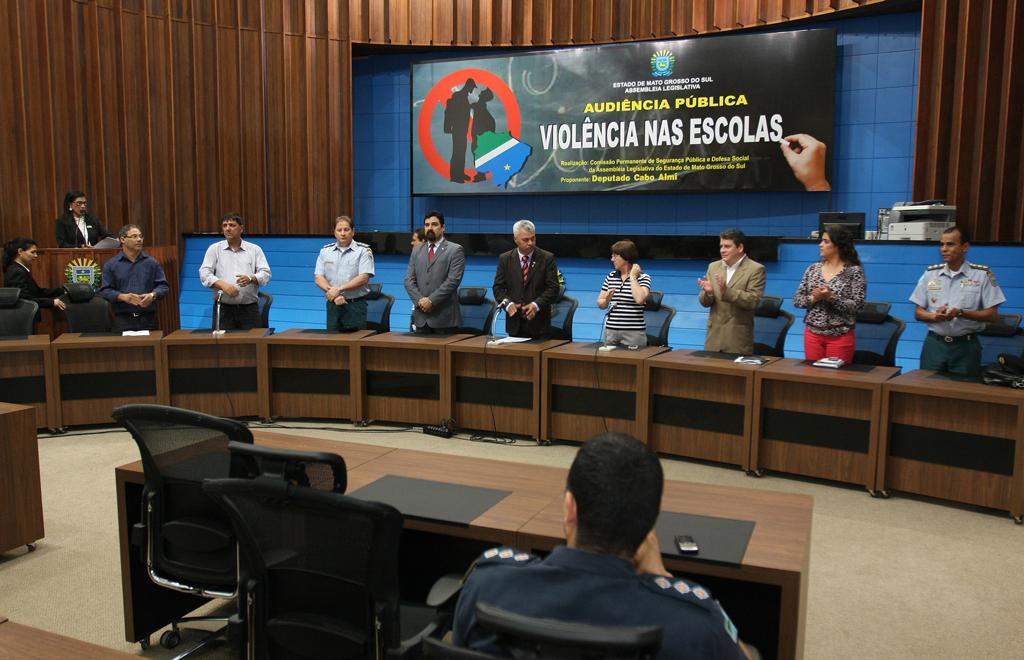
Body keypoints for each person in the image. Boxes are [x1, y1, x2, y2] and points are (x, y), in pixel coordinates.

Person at [453, 432, 753, 660]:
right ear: (651, 523)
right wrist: (664, 575)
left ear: (570, 508)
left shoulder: (488, 584)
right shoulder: (695, 625)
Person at [910, 226, 1005, 376]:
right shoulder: (930, 274)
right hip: (934, 344)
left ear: (965, 247)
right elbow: (918, 312)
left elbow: (993, 316)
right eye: (941, 244)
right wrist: (934, 316)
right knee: (926, 391)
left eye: (950, 244)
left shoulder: (982, 274)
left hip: (965, 347)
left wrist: (961, 313)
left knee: (962, 394)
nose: (944, 249)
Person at [793, 224, 866, 363]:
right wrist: (814, 298)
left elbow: (858, 306)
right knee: (812, 378)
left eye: (826, 241)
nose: (820, 245)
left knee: (835, 380)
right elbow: (797, 300)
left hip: (840, 335)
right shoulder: (813, 269)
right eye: (821, 241)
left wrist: (831, 297)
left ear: (838, 245)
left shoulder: (854, 272)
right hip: (813, 334)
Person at [198, 213, 272, 330]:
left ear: (241, 228)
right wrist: (223, 285)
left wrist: (250, 278)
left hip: (249, 310)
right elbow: (204, 273)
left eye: (232, 225)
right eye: (224, 225)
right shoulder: (214, 249)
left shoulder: (254, 249)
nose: (227, 228)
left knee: (252, 345)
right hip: (223, 309)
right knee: (224, 346)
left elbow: (266, 274)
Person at [698, 229, 766, 354]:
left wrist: (727, 292)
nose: (722, 250)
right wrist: (709, 293)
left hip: (737, 341)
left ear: (740, 248)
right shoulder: (713, 267)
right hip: (713, 339)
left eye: (727, 246)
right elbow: (705, 303)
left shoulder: (756, 269)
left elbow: (753, 301)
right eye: (721, 246)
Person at [492, 219, 560, 339]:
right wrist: (508, 304)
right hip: (514, 325)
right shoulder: (505, 259)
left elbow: (553, 288)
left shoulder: (546, 258)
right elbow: (498, 288)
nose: (530, 243)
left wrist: (536, 304)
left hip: (539, 325)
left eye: (533, 238)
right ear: (515, 239)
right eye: (525, 240)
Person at [98, 225, 169, 331]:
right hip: (123, 320)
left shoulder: (151, 263)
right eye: (134, 236)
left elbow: (163, 287)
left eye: (140, 236)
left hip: (149, 320)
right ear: (122, 239)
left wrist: (152, 295)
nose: (139, 239)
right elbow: (104, 291)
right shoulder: (111, 265)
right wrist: (122, 297)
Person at [404, 210, 465, 333]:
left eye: (434, 224)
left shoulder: (455, 250)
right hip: (421, 318)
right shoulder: (416, 250)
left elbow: (453, 281)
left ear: (443, 228)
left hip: (444, 319)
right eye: (427, 225)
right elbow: (409, 281)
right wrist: (421, 301)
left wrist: (431, 301)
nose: (430, 228)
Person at [314, 215, 375, 332]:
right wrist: (334, 294)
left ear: (353, 232)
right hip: (333, 304)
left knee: (355, 344)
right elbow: (318, 277)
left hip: (354, 306)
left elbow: (363, 278)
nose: (343, 233)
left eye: (346, 230)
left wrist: (339, 289)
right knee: (332, 344)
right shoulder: (325, 251)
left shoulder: (363, 251)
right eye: (339, 230)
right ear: (334, 232)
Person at [597, 240, 651, 347]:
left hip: (633, 333)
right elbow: (601, 304)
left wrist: (633, 277)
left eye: (615, 256)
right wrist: (607, 299)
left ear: (625, 257)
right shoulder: (611, 276)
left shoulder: (643, 278)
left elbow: (640, 300)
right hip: (611, 331)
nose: (612, 260)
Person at [3, 237, 67, 318]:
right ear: (20, 252)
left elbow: (37, 292)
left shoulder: (20, 270)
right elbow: (23, 299)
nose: (36, 256)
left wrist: (62, 291)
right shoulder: (16, 271)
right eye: (32, 252)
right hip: (22, 318)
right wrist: (51, 302)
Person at [443, 79, 476, 183]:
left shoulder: (463, 96)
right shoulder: (459, 96)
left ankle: (460, 174)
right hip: (458, 129)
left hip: (462, 130)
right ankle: (455, 176)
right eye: (472, 87)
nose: (472, 90)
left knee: (461, 151)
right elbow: (456, 112)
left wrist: (470, 106)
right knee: (458, 152)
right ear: (468, 86)